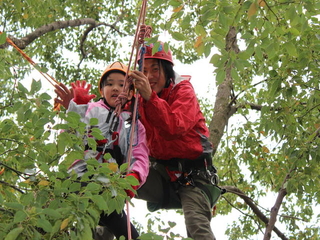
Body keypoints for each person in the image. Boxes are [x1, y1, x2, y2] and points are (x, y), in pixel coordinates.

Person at [129, 42, 224, 240]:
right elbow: (111, 110)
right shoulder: (138, 99)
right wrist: (78, 105)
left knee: (196, 224)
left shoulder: (183, 91)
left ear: (167, 70)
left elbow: (174, 126)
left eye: (155, 69)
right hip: (162, 174)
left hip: (195, 177)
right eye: (144, 70)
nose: (150, 76)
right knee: (116, 181)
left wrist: (150, 97)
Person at [55, 62, 149, 240]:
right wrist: (77, 107)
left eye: (122, 85)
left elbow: (139, 155)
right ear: (102, 90)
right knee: (79, 226)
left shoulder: (133, 125)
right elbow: (69, 137)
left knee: (130, 235)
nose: (115, 88)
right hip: (80, 177)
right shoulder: (92, 109)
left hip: (108, 188)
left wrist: (133, 177)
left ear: (131, 93)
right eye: (110, 84)